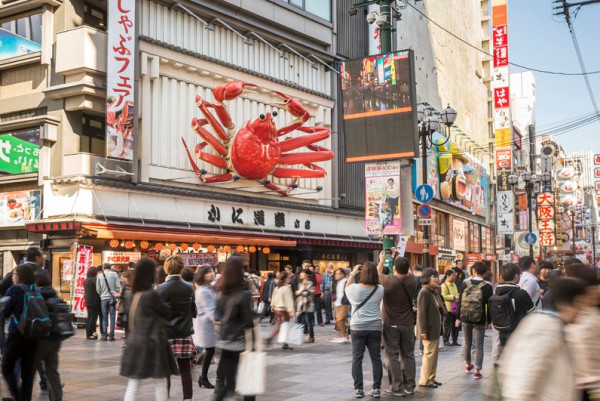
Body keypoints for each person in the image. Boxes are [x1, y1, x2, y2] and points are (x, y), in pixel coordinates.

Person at [499, 277, 589, 401]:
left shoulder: (558, 327)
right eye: (579, 305)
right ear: (564, 305)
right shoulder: (542, 328)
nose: (582, 311)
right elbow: (523, 382)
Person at [121, 258, 178, 401]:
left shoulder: (131, 294)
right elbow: (166, 311)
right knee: (160, 382)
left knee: (133, 383)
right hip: (153, 343)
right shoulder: (151, 294)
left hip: (134, 342)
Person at [214, 256, 255, 401]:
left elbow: (217, 316)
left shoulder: (220, 292)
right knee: (247, 382)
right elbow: (248, 322)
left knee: (230, 383)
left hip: (224, 340)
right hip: (239, 342)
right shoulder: (243, 294)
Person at [156, 255, 196, 401]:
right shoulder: (189, 287)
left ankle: (164, 397)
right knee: (185, 369)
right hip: (184, 333)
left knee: (165, 370)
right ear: (181, 268)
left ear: (166, 269)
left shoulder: (159, 289)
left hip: (166, 334)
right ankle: (187, 398)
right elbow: (193, 311)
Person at [376, 254, 417, 397]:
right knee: (409, 355)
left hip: (391, 324)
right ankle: (410, 386)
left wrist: (382, 260)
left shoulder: (389, 282)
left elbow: (377, 273)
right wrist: (400, 258)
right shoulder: (412, 280)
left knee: (392, 355)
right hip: (408, 324)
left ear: (394, 268)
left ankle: (397, 387)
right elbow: (410, 271)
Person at [345, 262, 384, 399]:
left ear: (362, 273)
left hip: (358, 327)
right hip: (375, 327)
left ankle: (358, 389)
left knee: (357, 358)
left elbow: (346, 287)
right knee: (376, 358)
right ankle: (377, 388)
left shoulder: (354, 289)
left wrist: (353, 273)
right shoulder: (380, 289)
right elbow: (378, 279)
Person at [2, 263, 39, 401]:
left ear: (20, 276)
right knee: (27, 372)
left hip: (17, 334)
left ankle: (16, 396)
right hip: (33, 335)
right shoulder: (36, 289)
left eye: (15, 274)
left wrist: (9, 313)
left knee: (6, 366)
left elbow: (5, 312)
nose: (13, 277)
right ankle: (25, 398)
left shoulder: (14, 290)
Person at [563, 264, 600, 401]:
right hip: (587, 389)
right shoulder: (582, 321)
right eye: (594, 287)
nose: (597, 291)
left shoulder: (590, 313)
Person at [489, 263, 534, 360]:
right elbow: (532, 312)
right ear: (516, 275)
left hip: (502, 331)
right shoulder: (520, 293)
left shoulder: (496, 292)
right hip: (519, 332)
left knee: (506, 358)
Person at [456, 261, 493, 379]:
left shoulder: (465, 283)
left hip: (466, 316)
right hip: (480, 318)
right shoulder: (487, 286)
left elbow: (460, 302)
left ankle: (467, 365)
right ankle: (477, 370)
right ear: (484, 272)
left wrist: (458, 317)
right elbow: (489, 305)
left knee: (467, 341)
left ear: (474, 271)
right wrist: (488, 321)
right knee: (479, 344)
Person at [33, 270, 64, 401]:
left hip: (40, 340)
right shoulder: (54, 295)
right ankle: (57, 398)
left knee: (28, 370)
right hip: (55, 339)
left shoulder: (36, 296)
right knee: (52, 371)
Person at [416, 268, 444, 390]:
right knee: (429, 354)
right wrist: (423, 331)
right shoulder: (424, 292)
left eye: (437, 276)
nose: (437, 279)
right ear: (427, 278)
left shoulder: (433, 291)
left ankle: (431, 377)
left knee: (434, 354)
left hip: (435, 328)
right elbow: (422, 313)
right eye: (434, 277)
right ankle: (425, 380)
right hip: (428, 329)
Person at [192, 266, 217, 390]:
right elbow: (210, 310)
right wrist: (219, 321)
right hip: (206, 325)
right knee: (210, 350)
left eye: (212, 271)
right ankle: (203, 377)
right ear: (202, 275)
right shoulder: (203, 290)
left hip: (206, 325)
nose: (212, 274)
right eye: (208, 272)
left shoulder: (207, 288)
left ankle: (203, 377)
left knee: (210, 350)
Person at [267, 272, 296, 350]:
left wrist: (272, 305)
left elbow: (273, 296)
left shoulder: (277, 287)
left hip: (277, 309)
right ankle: (273, 338)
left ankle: (282, 342)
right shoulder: (286, 288)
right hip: (283, 309)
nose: (289, 279)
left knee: (280, 325)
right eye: (288, 277)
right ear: (286, 279)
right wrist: (291, 311)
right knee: (285, 326)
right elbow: (289, 300)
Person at [96, 263, 121, 341]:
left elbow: (98, 289)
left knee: (104, 317)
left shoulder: (99, 275)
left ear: (103, 268)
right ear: (110, 267)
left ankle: (104, 335)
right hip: (112, 298)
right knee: (112, 317)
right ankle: (111, 336)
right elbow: (118, 286)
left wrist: (102, 294)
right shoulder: (114, 274)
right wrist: (115, 293)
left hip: (103, 298)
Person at [441, 269, 460, 347]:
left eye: (455, 276)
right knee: (447, 325)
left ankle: (455, 340)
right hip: (448, 308)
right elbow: (443, 296)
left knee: (455, 325)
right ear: (447, 276)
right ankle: (446, 340)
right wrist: (454, 297)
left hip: (455, 308)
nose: (454, 278)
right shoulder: (444, 285)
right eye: (453, 276)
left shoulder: (454, 284)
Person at [295, 269, 315, 343]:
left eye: (302, 273)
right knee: (298, 320)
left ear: (306, 275)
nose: (301, 275)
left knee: (309, 321)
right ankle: (299, 336)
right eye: (301, 273)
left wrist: (300, 292)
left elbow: (310, 293)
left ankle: (311, 337)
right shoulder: (300, 283)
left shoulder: (309, 283)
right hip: (301, 305)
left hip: (308, 305)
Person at [331, 268, 350, 342]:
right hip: (337, 303)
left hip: (344, 303)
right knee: (340, 320)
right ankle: (342, 335)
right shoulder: (336, 282)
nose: (336, 275)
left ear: (342, 275)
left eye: (338, 274)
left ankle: (345, 335)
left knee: (340, 320)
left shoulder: (346, 281)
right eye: (335, 274)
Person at [117, 270, 133, 348]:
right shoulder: (126, 287)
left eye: (125, 277)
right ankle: (127, 342)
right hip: (127, 311)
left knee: (129, 328)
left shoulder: (128, 287)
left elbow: (122, 297)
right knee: (127, 328)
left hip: (129, 310)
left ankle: (128, 342)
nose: (123, 279)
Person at [84, 266, 101, 340]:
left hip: (88, 300)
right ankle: (91, 333)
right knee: (93, 318)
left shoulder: (86, 280)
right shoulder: (95, 279)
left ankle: (88, 333)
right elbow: (98, 290)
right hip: (94, 301)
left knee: (90, 317)